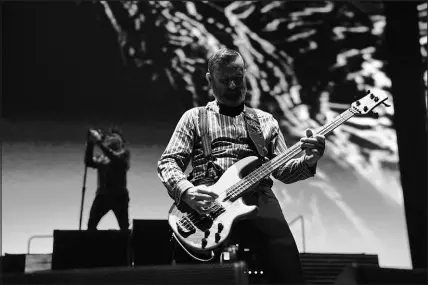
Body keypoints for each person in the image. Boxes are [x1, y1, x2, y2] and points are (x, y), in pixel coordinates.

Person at [157, 48, 325, 285]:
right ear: (209, 80)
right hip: (208, 198)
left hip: (258, 197)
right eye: (225, 80)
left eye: (238, 78)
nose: (234, 85)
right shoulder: (194, 117)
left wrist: (309, 161)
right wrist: (186, 190)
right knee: (191, 273)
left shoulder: (265, 121)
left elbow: (283, 171)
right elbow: (169, 161)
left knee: (287, 266)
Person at [85, 127, 131, 231]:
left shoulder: (124, 154)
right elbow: (89, 162)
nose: (111, 138)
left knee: (124, 227)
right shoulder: (102, 157)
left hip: (119, 196)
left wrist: (99, 142)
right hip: (102, 196)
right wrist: (91, 144)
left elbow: (115, 159)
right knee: (91, 225)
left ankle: (125, 246)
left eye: (114, 137)